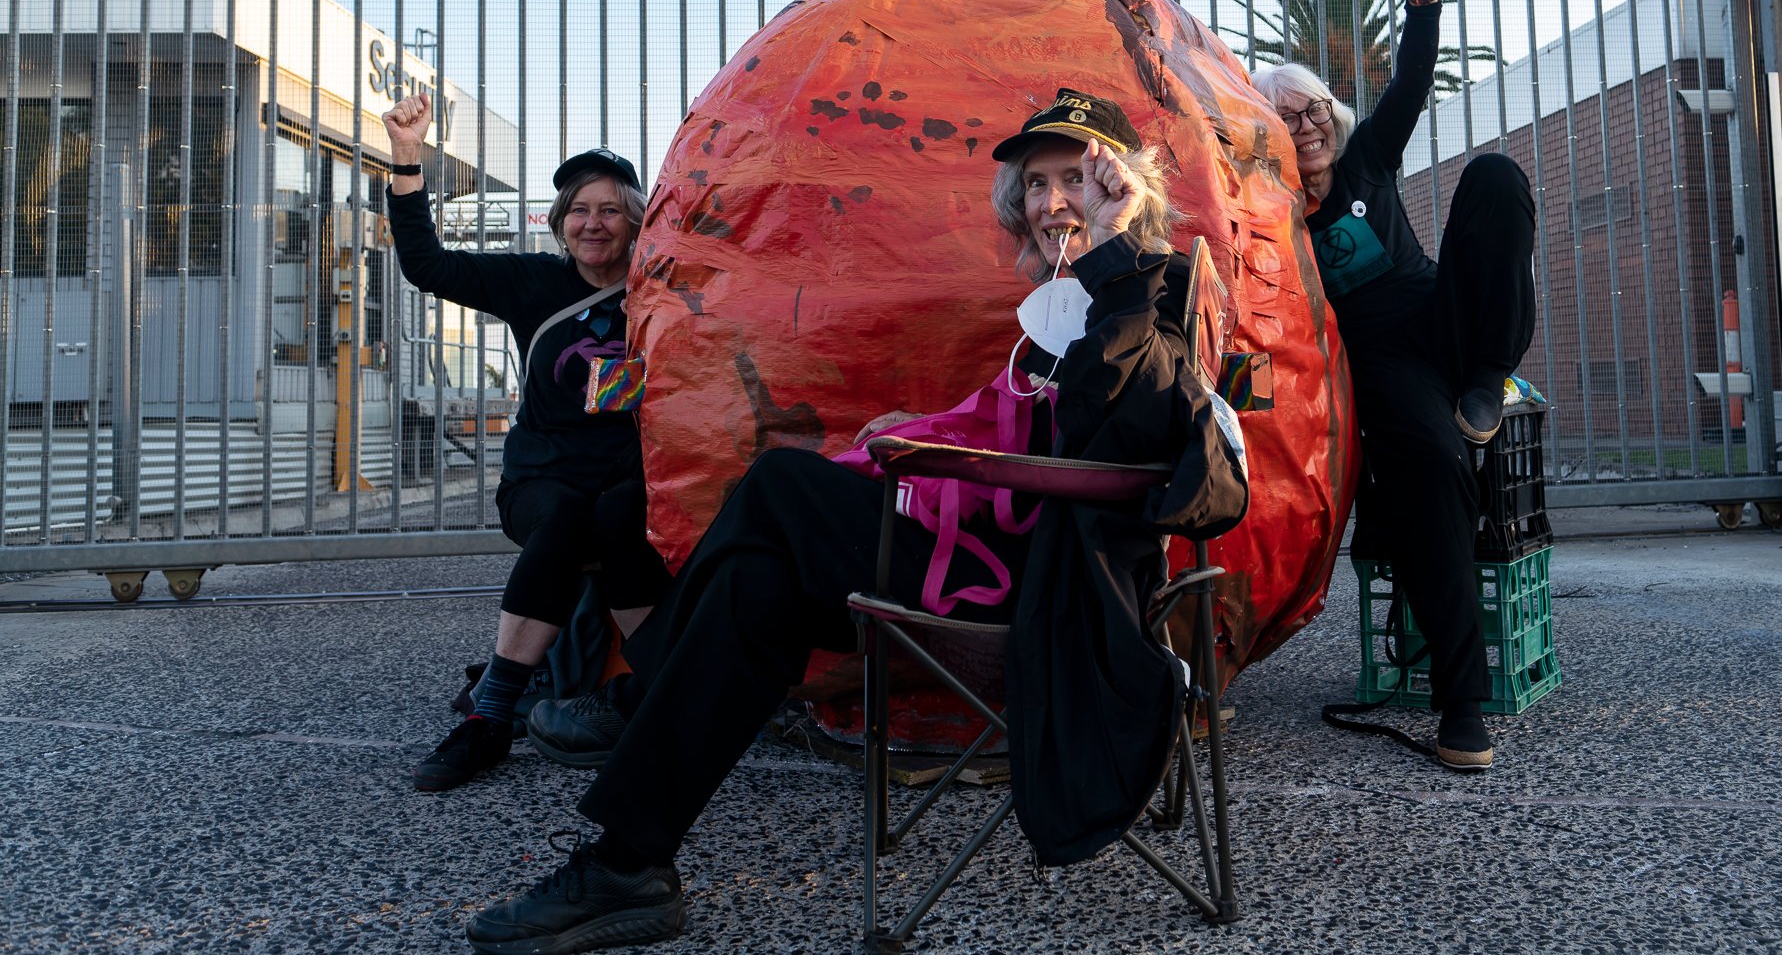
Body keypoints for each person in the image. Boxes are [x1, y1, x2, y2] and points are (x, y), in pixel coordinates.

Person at [462, 88, 1247, 955]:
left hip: (1049, 584)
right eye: (1037, 183)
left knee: (780, 486)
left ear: (1126, 187)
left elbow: (1129, 428)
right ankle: (627, 862)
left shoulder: (1155, 285)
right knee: (757, 587)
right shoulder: (1060, 300)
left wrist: (1114, 248)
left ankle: (641, 696)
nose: (1054, 200)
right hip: (990, 547)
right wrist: (922, 432)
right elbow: (1022, 423)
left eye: (1078, 179)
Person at [1252, 0, 1535, 774]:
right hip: (1382, 365)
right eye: (1285, 115)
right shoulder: (1268, 215)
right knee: (1435, 467)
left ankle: (1488, 381)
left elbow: (1410, 82)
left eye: (1313, 108)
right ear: (1265, 132)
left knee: (1494, 177)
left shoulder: (1369, 157)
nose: (1306, 124)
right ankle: (1462, 704)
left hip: (1441, 322)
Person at [380, 91, 673, 792]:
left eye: (611, 210)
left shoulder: (665, 291)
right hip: (543, 482)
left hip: (630, 481)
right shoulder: (531, 281)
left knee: (623, 513)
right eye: (579, 209)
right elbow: (427, 266)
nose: (593, 223)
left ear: (637, 221)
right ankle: (490, 717)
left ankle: (664, 697)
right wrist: (408, 158)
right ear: (560, 221)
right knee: (568, 516)